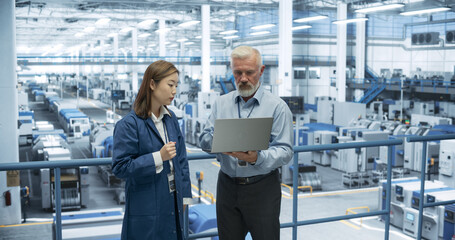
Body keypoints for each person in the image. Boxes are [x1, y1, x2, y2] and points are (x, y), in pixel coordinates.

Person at [199, 46, 294, 239]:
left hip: (262, 188)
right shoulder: (221, 103)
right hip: (227, 185)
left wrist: (257, 157)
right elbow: (204, 139)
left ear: (261, 71)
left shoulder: (277, 107)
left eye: (249, 73)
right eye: (237, 72)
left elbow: (285, 150)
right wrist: (219, 141)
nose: (243, 78)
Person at [112, 60, 191, 240]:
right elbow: (120, 167)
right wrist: (158, 157)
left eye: (176, 85)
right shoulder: (129, 125)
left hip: (174, 202)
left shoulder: (171, 120)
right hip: (147, 207)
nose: (174, 91)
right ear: (152, 84)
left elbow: (182, 162)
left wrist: (186, 198)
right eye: (170, 85)